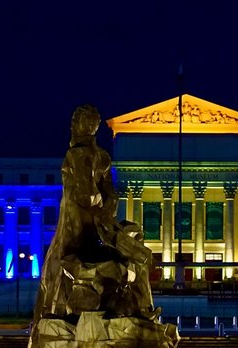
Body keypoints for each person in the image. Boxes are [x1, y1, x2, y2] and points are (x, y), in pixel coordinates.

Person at [32, 104, 157, 322]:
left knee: (62, 262)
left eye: (79, 121)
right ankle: (139, 309)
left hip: (81, 223)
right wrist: (106, 215)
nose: (76, 126)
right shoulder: (100, 156)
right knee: (133, 257)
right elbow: (108, 195)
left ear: (81, 125)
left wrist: (103, 215)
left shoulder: (80, 154)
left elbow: (89, 194)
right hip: (94, 223)